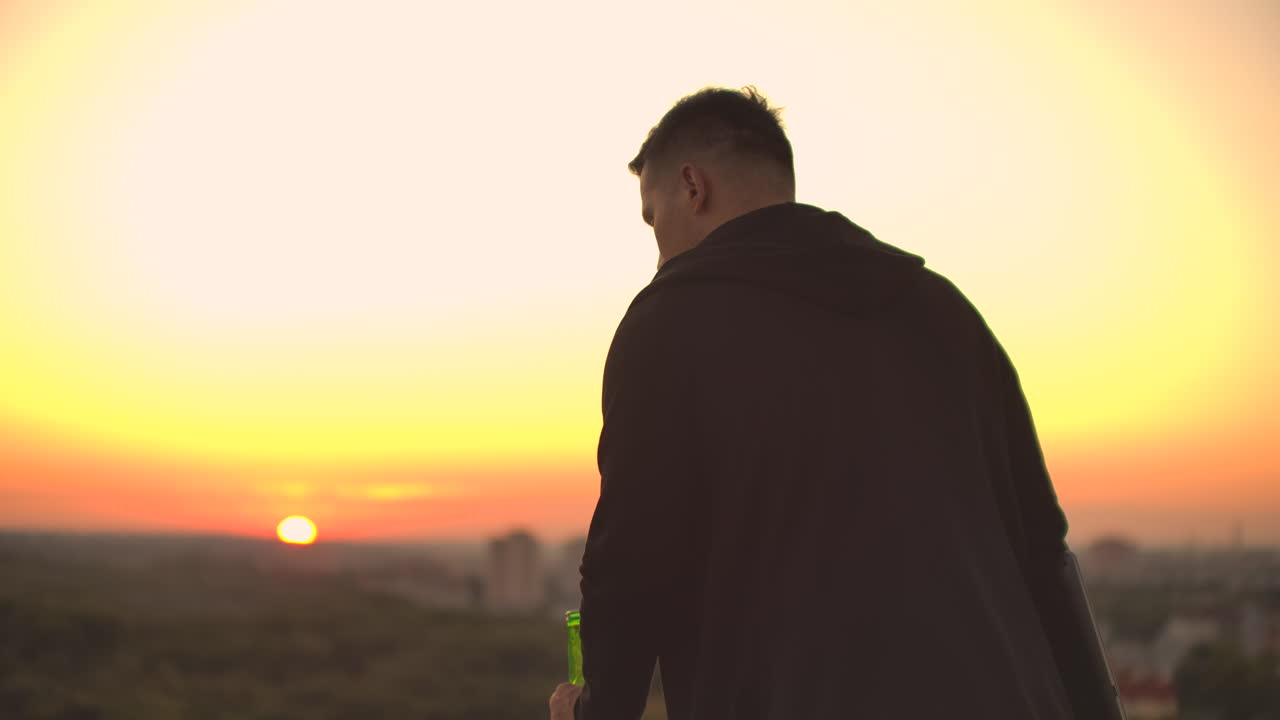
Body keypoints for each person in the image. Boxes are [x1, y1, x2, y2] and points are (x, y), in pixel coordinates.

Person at [549, 86, 1113, 720]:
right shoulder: (943, 310)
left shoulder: (671, 320)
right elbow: (1041, 550)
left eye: (655, 222)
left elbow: (631, 560)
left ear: (691, 186)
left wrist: (596, 711)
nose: (658, 258)